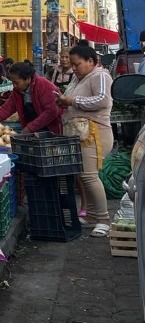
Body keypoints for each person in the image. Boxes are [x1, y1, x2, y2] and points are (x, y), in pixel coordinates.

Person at [55, 44, 115, 238]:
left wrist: (72, 102)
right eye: (72, 64)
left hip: (95, 133)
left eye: (77, 64)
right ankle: (90, 215)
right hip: (80, 133)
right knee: (82, 175)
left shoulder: (100, 76)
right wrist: (63, 100)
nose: (73, 68)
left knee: (89, 176)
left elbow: (103, 100)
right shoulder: (79, 77)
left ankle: (104, 220)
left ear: (91, 61)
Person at [0, 61, 63, 134]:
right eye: (12, 82)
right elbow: (5, 110)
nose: (14, 86)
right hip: (34, 133)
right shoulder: (17, 91)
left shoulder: (44, 86)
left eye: (16, 82)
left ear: (28, 79)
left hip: (52, 132)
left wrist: (30, 128)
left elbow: (52, 111)